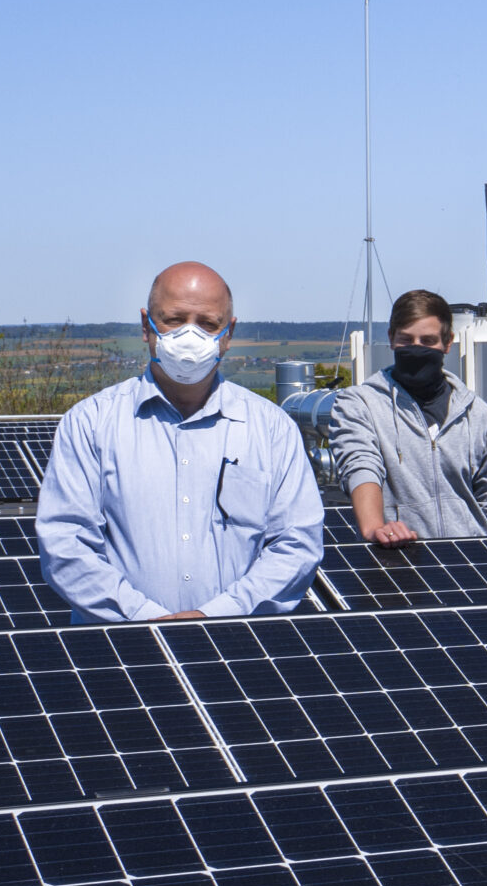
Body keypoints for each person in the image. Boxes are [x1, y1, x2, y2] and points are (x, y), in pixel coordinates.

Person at [38, 261, 324, 621]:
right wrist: (145, 619)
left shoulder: (271, 430)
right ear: (147, 326)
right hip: (118, 652)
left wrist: (218, 615)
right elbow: (66, 543)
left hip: (240, 647)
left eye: (208, 323)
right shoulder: (91, 424)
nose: (191, 336)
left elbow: (296, 545)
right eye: (174, 319)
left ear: (229, 334)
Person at [328, 288, 487, 545]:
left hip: (470, 565)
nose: (416, 350)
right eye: (406, 340)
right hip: (398, 559)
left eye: (428, 341)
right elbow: (360, 466)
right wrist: (375, 529)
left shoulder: (479, 415)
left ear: (447, 343)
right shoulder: (360, 405)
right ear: (391, 339)